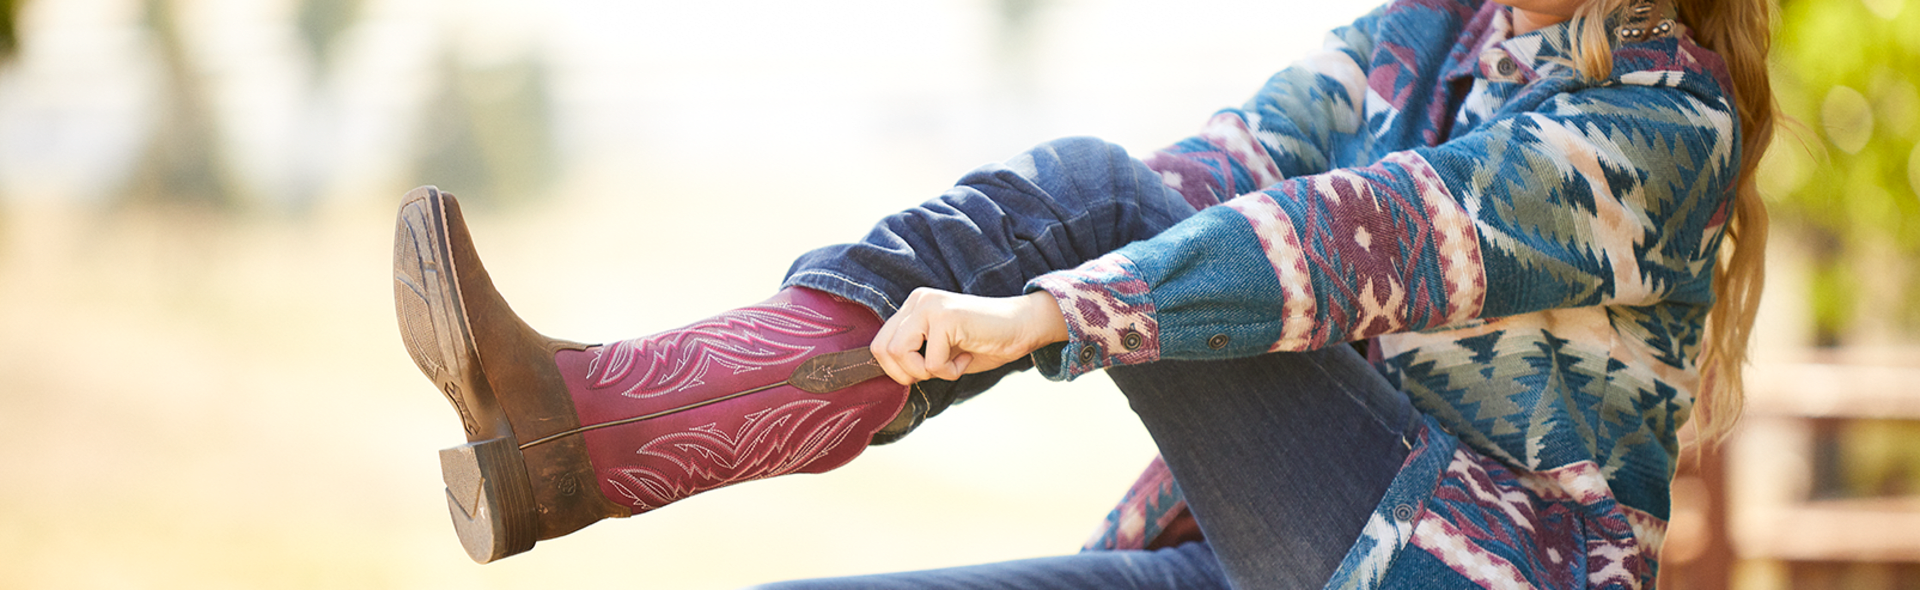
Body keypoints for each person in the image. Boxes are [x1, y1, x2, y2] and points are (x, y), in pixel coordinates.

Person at [391, 0, 1775, 585]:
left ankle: (597, 432)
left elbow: (1362, 237)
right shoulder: (1440, 32)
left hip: (1457, 567)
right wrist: (1046, 275)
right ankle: (600, 432)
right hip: (1277, 550)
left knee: (1103, 200)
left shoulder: (1663, 126)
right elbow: (1230, 167)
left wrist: (1064, 308)